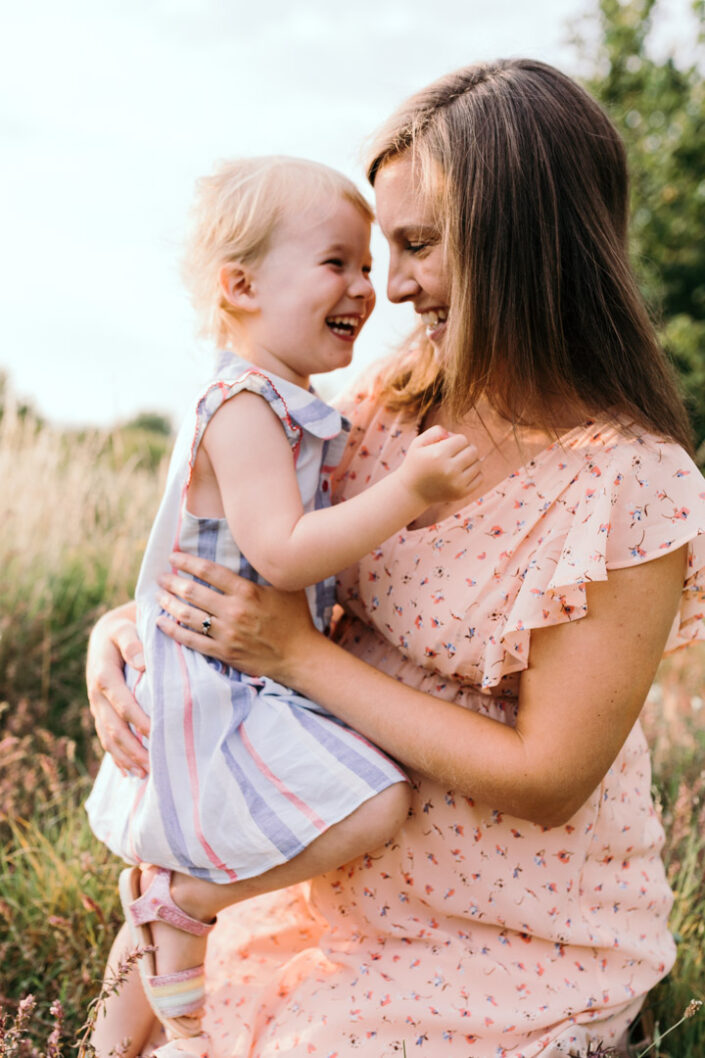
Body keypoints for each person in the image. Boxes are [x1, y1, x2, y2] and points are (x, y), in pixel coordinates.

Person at [86, 60, 705, 1058]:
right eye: (385, 248)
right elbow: (255, 545)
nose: (394, 286)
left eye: (418, 245)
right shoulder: (385, 402)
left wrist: (297, 657)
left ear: (522, 240)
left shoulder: (630, 485)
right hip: (323, 877)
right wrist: (123, 631)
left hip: (512, 934)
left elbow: (549, 775)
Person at [84, 156, 480, 1046]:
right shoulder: (244, 405)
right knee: (375, 803)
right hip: (224, 677)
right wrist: (409, 489)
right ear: (241, 286)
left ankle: (123, 1019)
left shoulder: (287, 401)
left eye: (369, 265)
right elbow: (284, 554)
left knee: (229, 843)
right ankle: (183, 904)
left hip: (244, 661)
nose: (367, 287)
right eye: (336, 262)